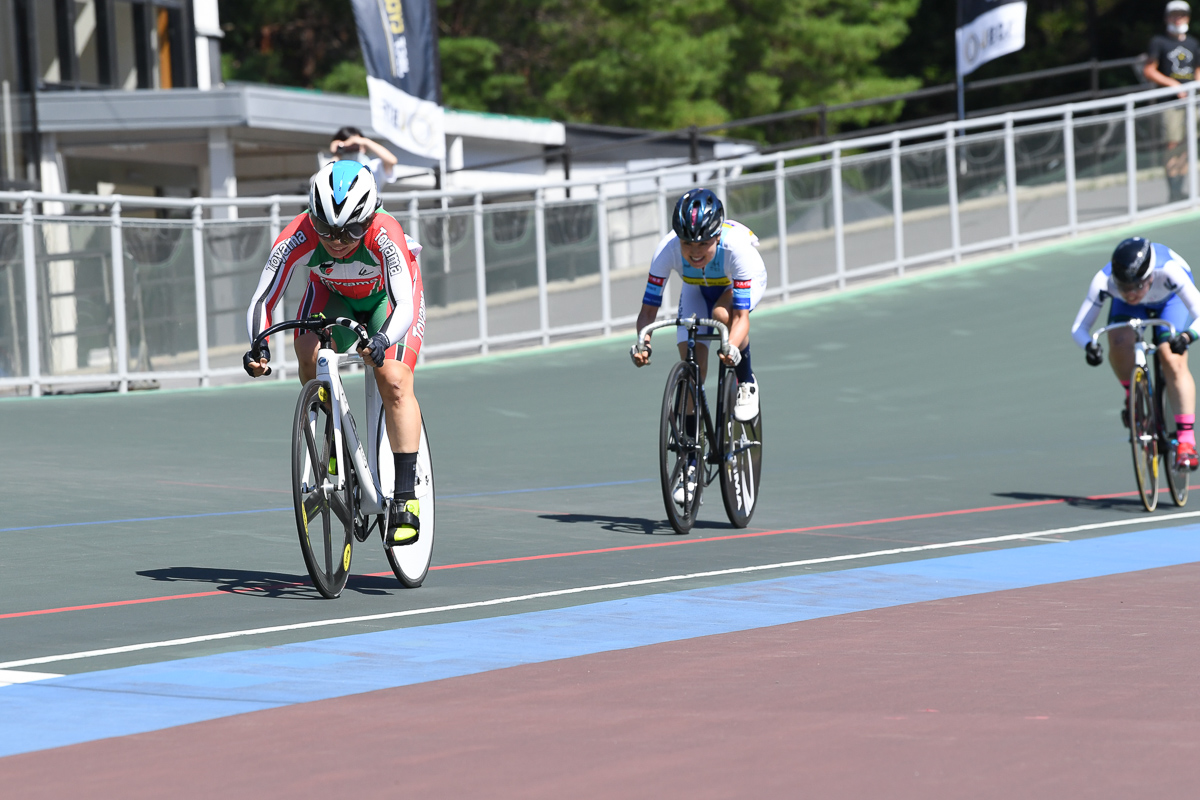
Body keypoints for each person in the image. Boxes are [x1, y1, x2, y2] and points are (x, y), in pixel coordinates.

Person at [243, 160, 428, 544]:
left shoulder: (385, 233)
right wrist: (258, 343)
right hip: (334, 298)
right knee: (307, 350)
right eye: (327, 230)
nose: (338, 240)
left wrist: (381, 340)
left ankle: (406, 497)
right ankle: (331, 435)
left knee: (393, 379)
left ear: (370, 217)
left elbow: (404, 307)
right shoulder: (299, 234)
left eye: (351, 230)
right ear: (313, 218)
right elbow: (263, 298)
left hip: (387, 303)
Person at [631, 189, 767, 500]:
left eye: (703, 244)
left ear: (717, 237)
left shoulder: (737, 250)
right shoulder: (666, 249)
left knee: (723, 314)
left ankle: (746, 381)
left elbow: (741, 317)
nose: (694, 252)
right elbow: (648, 312)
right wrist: (644, 341)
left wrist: (732, 346)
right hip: (695, 288)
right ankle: (690, 464)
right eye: (687, 243)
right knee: (693, 369)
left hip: (737, 285)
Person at [1071, 236, 1200, 469]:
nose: (1130, 294)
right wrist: (1089, 346)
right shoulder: (1104, 280)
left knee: (1172, 357)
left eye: (1136, 286)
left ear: (1150, 276)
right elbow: (1079, 328)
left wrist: (1187, 336)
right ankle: (1132, 395)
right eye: (1123, 287)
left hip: (1170, 301)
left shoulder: (1170, 271)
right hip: (1133, 312)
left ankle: (1186, 441)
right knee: (1119, 342)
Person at [1144, 1, 1200, 202]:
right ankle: (1173, 189)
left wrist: (1195, 86)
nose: (1178, 18)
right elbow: (1149, 69)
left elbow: (1197, 69)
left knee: (1187, 143)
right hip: (1170, 102)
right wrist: (1173, 85)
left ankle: (1181, 189)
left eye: (1182, 15)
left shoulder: (1193, 43)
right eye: (1174, 15)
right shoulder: (1159, 42)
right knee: (1173, 143)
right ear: (1167, 17)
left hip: (1192, 101)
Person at [327, 126, 401, 190]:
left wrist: (365, 141)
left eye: (356, 145)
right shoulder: (335, 167)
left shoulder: (374, 167)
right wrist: (338, 153)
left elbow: (392, 161)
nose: (353, 149)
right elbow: (326, 179)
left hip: (372, 206)